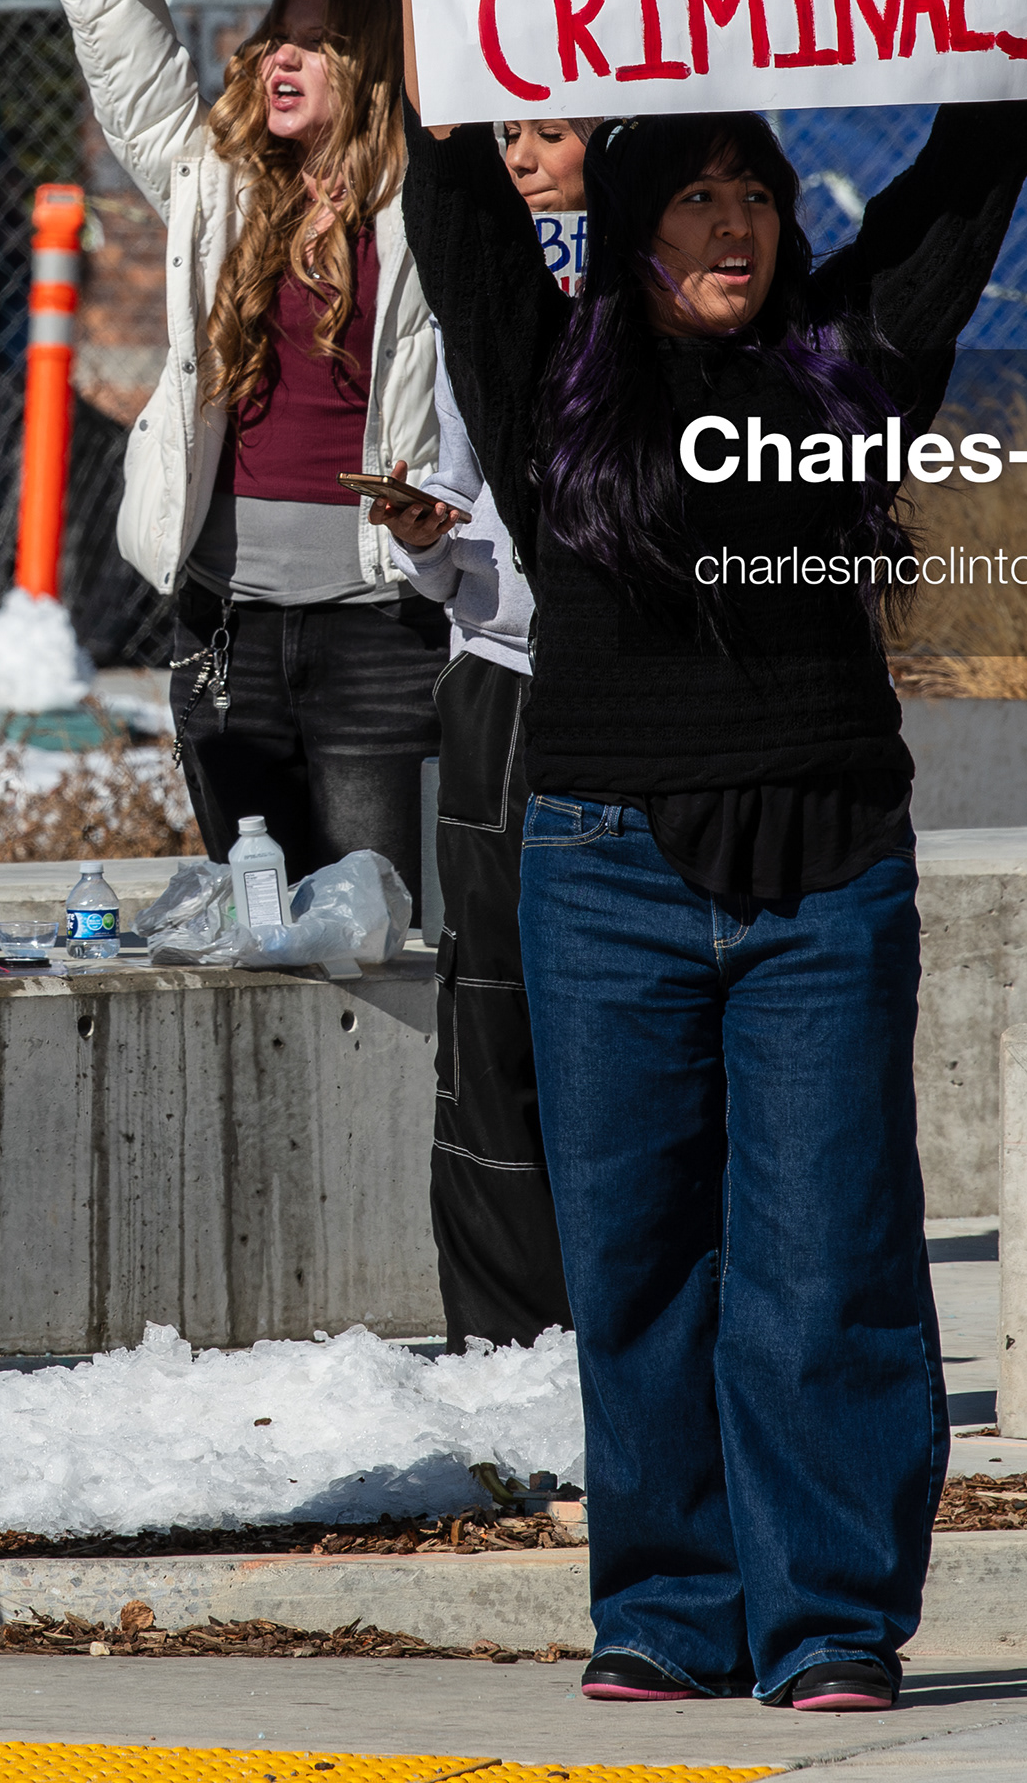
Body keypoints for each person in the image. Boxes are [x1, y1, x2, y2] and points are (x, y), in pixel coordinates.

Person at [377, 0, 1027, 1716]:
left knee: (826, 1256)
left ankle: (831, 1618)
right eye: (691, 197)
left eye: (752, 196)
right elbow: (455, 193)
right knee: (634, 1252)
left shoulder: (850, 360)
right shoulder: (548, 376)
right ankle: (672, 1608)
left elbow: (965, 179)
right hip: (601, 862)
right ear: (631, 224)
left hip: (826, 862)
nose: (727, 227)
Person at [1, 0, 443, 883]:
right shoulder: (220, 185)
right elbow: (133, 64)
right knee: (264, 928)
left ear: (378, 69)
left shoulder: (431, 201)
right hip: (224, 623)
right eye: (275, 43)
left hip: (379, 624)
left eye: (320, 47)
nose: (281, 63)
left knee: (375, 937)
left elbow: (480, 88)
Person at [369, 115, 589, 1352]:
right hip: (499, 682)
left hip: (632, 698)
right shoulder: (475, 302)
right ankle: (509, 1331)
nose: (521, 155)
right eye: (508, 132)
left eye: (551, 133)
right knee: (489, 1006)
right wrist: (422, 536)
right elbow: (460, 534)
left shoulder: (674, 294)